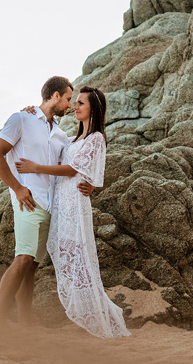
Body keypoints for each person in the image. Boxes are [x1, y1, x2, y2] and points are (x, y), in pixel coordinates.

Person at [15, 86, 130, 338]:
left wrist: (36, 167)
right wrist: (31, 113)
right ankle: (89, 315)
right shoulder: (73, 139)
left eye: (80, 103)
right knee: (67, 259)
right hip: (60, 203)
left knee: (80, 260)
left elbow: (72, 169)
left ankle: (97, 318)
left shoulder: (96, 138)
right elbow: (56, 150)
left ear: (93, 109)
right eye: (74, 102)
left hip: (74, 206)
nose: (75, 107)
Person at [0, 76, 93, 327]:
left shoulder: (60, 135)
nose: (69, 105)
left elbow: (71, 167)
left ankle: (25, 325)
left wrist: (90, 184)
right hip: (27, 201)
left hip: (50, 205)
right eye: (68, 99)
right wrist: (17, 189)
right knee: (23, 258)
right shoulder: (20, 119)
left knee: (31, 267)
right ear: (55, 96)